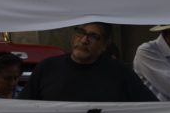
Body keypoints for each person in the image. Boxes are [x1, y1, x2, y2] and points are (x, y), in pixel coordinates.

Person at [19, 22, 157, 102]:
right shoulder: (46, 68)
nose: (84, 40)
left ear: (105, 44)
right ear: (74, 36)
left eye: (93, 36)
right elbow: (23, 109)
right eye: (81, 32)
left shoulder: (121, 73)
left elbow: (151, 110)